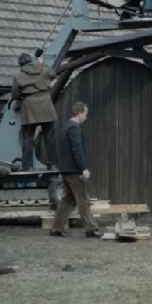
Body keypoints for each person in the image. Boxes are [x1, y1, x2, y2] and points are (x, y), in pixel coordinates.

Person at [50, 102, 102, 238]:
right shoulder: (74, 128)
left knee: (69, 199)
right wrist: (83, 168)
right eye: (85, 114)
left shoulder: (65, 127)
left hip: (65, 170)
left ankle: (56, 228)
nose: (86, 117)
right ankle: (91, 229)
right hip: (74, 170)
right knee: (83, 199)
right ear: (79, 113)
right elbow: (77, 149)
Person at [12, 52, 59, 170]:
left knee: (27, 138)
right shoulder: (43, 68)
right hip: (46, 105)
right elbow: (53, 74)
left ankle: (28, 167)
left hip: (29, 107)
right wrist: (42, 63)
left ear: (20, 64)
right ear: (31, 61)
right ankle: (52, 164)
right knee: (49, 137)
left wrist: (20, 98)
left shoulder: (18, 76)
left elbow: (15, 94)